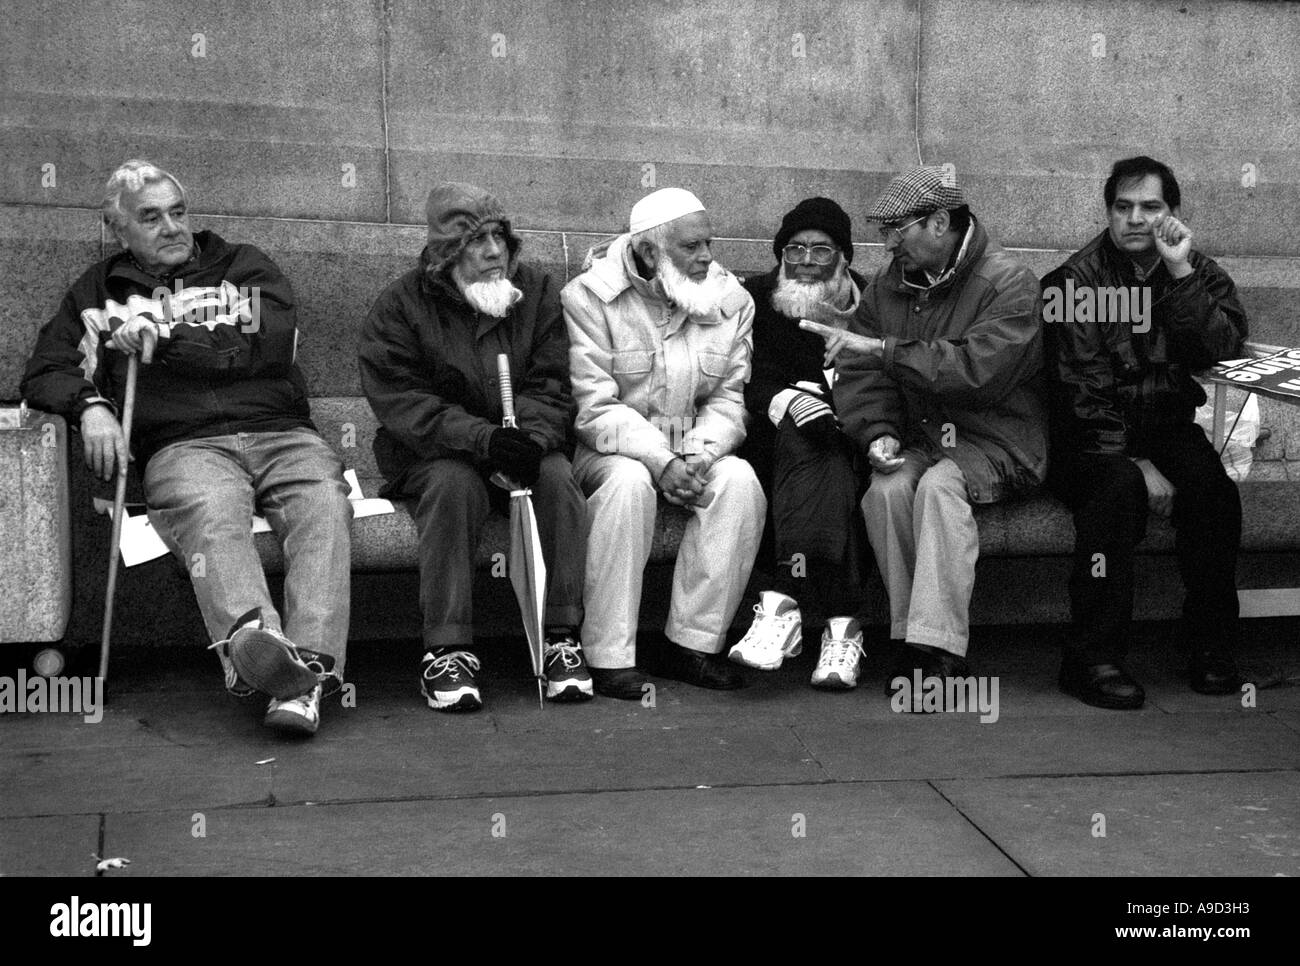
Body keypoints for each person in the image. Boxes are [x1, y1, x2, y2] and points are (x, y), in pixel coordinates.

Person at [21, 159, 352, 736]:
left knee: (323, 508)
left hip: (282, 432)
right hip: (185, 445)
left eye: (178, 212)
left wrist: (167, 336)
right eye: (150, 218)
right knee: (210, 514)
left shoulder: (243, 266)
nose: (171, 227)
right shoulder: (99, 295)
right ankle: (263, 650)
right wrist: (91, 406)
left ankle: (305, 674)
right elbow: (45, 370)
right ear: (118, 229)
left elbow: (270, 343)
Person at [816, 165, 1047, 706]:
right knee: (886, 489)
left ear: (940, 221)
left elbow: (980, 371)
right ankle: (908, 633)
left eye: (898, 229)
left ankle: (940, 649)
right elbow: (862, 377)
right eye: (885, 232)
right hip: (921, 434)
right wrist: (877, 432)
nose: (889, 243)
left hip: (998, 439)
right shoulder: (887, 286)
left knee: (940, 489)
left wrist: (886, 351)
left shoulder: (1008, 281)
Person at [359, 182, 590, 711]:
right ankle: (447, 650)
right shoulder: (400, 306)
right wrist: (485, 439)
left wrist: (530, 439)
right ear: (446, 254)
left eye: (500, 238)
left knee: (557, 477)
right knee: (453, 484)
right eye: (475, 242)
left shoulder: (534, 291)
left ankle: (561, 637)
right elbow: (405, 404)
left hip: (523, 440)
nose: (494, 253)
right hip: (435, 454)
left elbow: (554, 382)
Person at [1043, 156, 1248, 709]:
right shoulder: (1073, 281)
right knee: (1117, 494)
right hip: (1088, 439)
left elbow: (1222, 349)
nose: (1135, 218)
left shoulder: (1196, 272)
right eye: (1122, 206)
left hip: (1166, 427)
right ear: (1108, 211)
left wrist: (1179, 274)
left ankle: (1209, 642)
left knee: (1213, 493)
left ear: (1171, 214)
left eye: (1149, 207)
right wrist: (1135, 462)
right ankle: (1092, 656)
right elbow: (1077, 391)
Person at [563, 187, 766, 699]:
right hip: (613, 450)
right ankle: (609, 655)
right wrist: (659, 459)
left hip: (693, 447)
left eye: (708, 244)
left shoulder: (732, 300)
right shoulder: (587, 297)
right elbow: (594, 408)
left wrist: (697, 455)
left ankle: (692, 645)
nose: (706, 257)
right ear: (651, 251)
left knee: (739, 481)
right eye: (691, 247)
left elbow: (728, 398)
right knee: (628, 484)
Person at [729, 197, 869, 689]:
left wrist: (835, 389)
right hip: (772, 438)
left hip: (856, 433)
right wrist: (788, 399)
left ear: (844, 257)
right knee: (816, 449)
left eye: (821, 250)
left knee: (835, 451)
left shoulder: (870, 303)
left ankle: (781, 603)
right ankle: (841, 627)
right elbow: (739, 376)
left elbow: (890, 379)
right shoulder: (753, 298)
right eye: (795, 249)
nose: (806, 262)